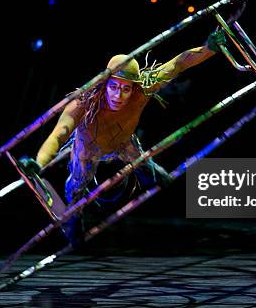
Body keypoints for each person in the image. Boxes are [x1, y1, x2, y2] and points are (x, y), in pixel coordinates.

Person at [20, 28, 228, 246]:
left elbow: (177, 64)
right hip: (88, 148)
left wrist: (208, 49)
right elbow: (60, 133)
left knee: (150, 169)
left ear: (134, 87)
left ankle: (146, 169)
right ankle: (74, 220)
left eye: (125, 89)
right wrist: (40, 162)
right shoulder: (84, 101)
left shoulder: (143, 89)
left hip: (123, 142)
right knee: (77, 186)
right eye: (114, 87)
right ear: (105, 84)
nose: (119, 96)